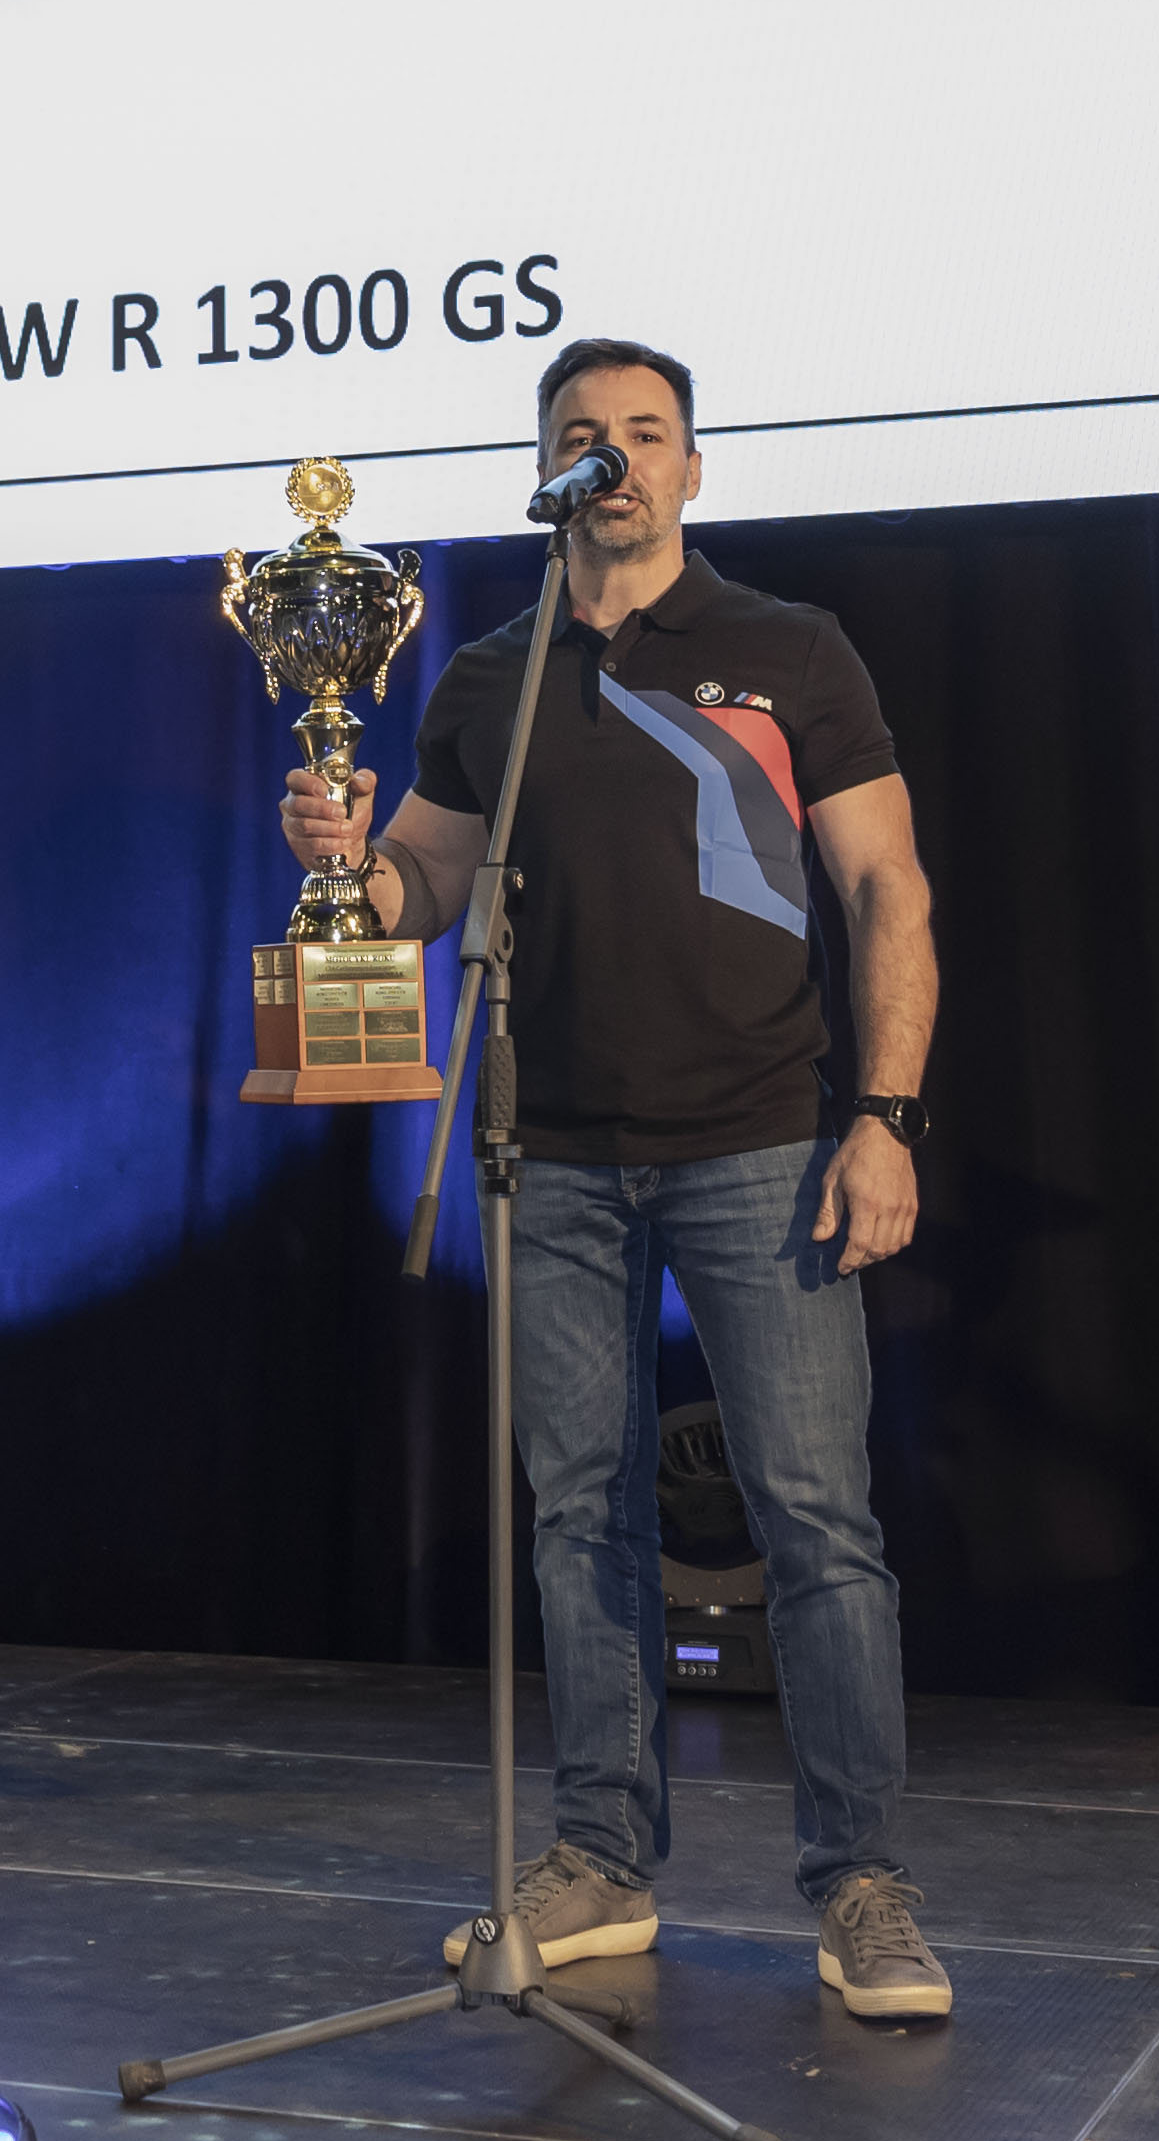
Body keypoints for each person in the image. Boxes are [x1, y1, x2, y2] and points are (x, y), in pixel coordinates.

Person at [279, 337, 953, 2023]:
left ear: (691, 467)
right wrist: (349, 868)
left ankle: (859, 1879)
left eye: (646, 433)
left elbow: (886, 887)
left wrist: (884, 1112)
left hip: (760, 1143)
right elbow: (424, 877)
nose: (616, 458)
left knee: (816, 1517)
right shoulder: (489, 672)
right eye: (584, 434)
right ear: (547, 467)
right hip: (549, 1155)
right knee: (580, 1515)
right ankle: (598, 1855)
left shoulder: (788, 648)